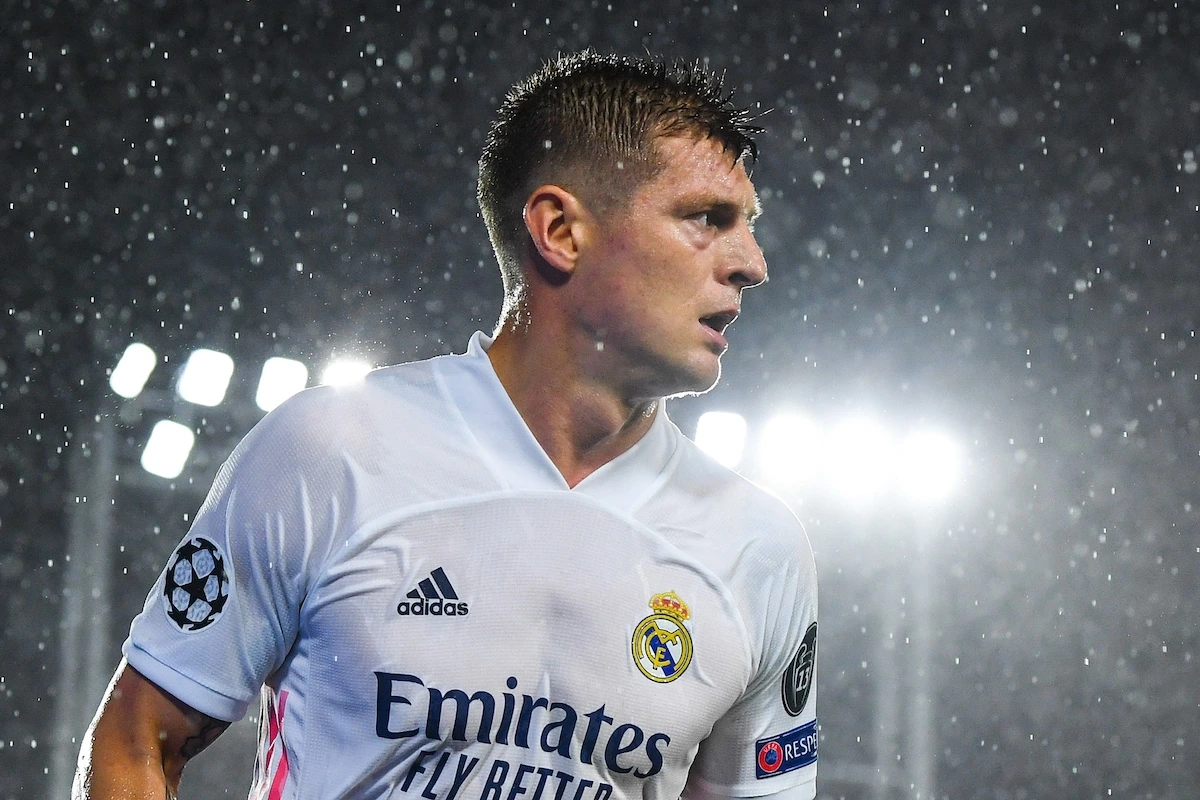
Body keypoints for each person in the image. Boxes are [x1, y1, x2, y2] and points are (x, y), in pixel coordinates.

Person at [73, 50, 818, 800]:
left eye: (748, 226)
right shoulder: (328, 452)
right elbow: (136, 741)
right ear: (560, 231)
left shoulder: (759, 548)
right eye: (706, 218)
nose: (752, 263)